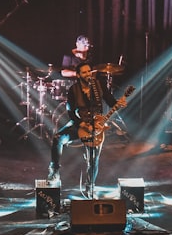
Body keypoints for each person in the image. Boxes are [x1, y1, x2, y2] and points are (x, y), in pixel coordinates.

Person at [48, 61, 127, 193]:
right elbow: (71, 112)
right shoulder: (73, 89)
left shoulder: (99, 85)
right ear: (78, 75)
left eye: (89, 71)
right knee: (58, 138)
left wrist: (119, 103)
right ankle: (54, 171)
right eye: (84, 72)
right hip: (80, 122)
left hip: (96, 124)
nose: (87, 74)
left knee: (93, 157)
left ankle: (90, 186)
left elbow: (110, 100)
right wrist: (82, 124)